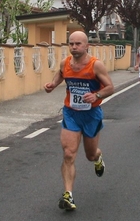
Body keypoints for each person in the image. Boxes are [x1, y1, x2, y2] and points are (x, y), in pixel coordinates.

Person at [44, 31, 114, 211]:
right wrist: (52, 84)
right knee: (68, 153)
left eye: (78, 44)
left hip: (91, 114)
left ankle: (98, 158)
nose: (74, 47)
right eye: (71, 44)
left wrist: (96, 95)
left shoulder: (95, 65)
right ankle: (68, 195)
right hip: (71, 113)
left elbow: (110, 87)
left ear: (86, 46)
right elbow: (60, 74)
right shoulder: (65, 63)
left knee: (90, 155)